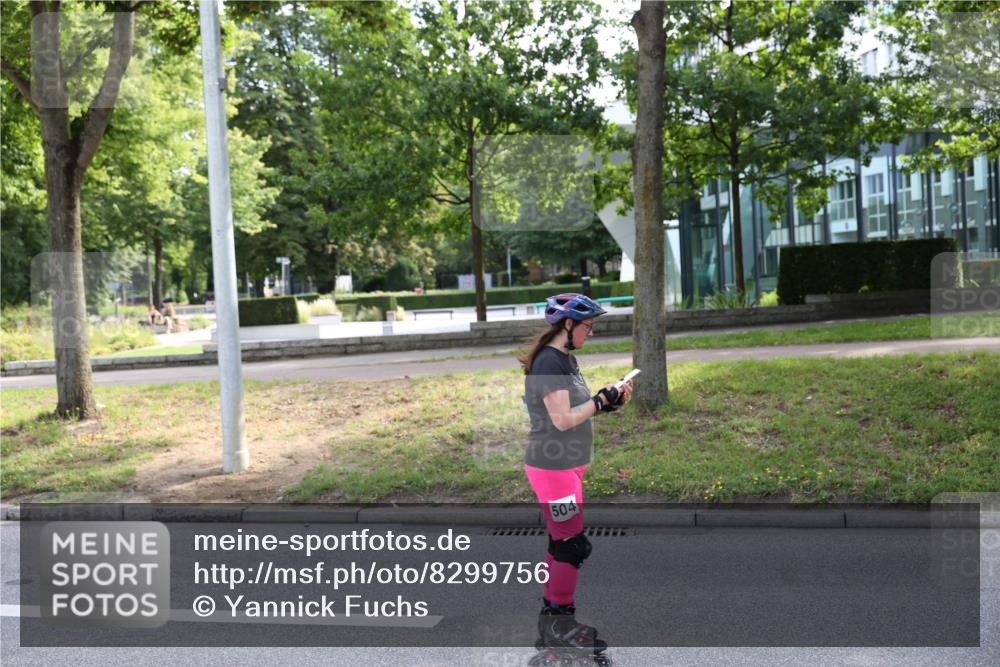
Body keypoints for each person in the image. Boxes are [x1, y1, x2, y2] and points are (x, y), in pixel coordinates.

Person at [518, 293, 633, 662]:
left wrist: (609, 401)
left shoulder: (564, 359)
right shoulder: (550, 363)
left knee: (561, 543)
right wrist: (600, 400)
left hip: (565, 466)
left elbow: (576, 409)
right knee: (572, 545)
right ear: (568, 325)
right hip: (553, 468)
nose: (592, 332)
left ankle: (551, 622)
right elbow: (562, 420)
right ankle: (561, 625)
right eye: (588, 326)